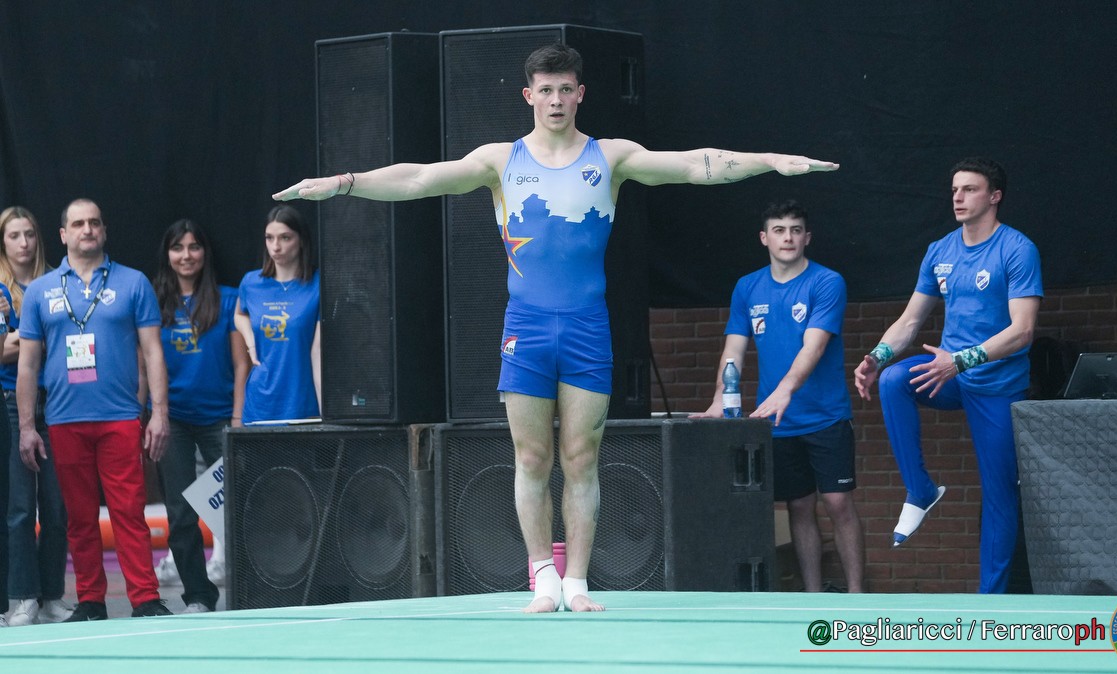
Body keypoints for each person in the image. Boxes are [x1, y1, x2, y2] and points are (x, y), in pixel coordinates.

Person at [274, 43, 838, 613]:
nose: (556, 100)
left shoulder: (610, 157)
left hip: (587, 327)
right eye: (545, 90)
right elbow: (420, 178)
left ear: (580, 94)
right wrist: (344, 181)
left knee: (582, 456)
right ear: (529, 96)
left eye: (566, 89)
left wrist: (769, 159)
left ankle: (578, 582)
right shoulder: (500, 161)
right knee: (531, 456)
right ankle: (543, 575)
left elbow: (695, 165)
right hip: (527, 327)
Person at [853, 158, 1041, 594]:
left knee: (999, 493)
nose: (958, 197)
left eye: (970, 189)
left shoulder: (1017, 248)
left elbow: (1023, 331)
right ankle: (920, 489)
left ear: (994, 197)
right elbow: (910, 320)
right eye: (955, 189)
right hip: (949, 373)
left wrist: (960, 360)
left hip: (996, 384)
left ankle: (990, 601)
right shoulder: (940, 250)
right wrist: (877, 356)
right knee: (893, 380)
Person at [692, 201, 864, 593]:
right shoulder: (747, 287)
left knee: (838, 502)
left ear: (807, 237)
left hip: (826, 416)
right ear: (764, 238)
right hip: (779, 421)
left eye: (796, 230)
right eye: (779, 230)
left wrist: (784, 391)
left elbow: (813, 347)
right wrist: (720, 397)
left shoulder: (827, 282)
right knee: (798, 506)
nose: (788, 238)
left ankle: (857, 598)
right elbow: (734, 350)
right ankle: (813, 597)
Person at [17, 198, 173, 620]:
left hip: (120, 417)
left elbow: (153, 353)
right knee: (79, 517)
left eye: (94, 223)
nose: (87, 230)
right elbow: (27, 364)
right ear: (63, 234)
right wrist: (27, 427)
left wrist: (159, 413)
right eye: (78, 224)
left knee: (130, 512)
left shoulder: (133, 282)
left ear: (104, 231)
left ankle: (145, 598)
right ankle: (90, 601)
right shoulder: (41, 291)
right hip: (64, 420)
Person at [152, 219, 249, 613]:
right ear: (167, 255)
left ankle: (253, 590)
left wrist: (238, 418)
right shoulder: (153, 303)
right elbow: (144, 362)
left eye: (194, 247)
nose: (186, 255)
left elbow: (242, 365)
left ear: (205, 252)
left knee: (241, 507)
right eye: (178, 248)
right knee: (180, 514)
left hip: (220, 418)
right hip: (173, 420)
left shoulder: (229, 299)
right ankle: (198, 595)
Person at [0, 207, 72, 626]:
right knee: (21, 508)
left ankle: (52, 596)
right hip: (13, 401)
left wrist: (21, 339)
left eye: (29, 233)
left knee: (58, 507)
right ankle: (23, 596)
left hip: (58, 400)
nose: (24, 243)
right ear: (3, 242)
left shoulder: (57, 282)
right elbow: (4, 351)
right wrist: (36, 339)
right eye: (14, 236)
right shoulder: (0, 288)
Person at [234, 205, 320, 425]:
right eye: (269, 238)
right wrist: (250, 342)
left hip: (302, 402)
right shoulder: (251, 283)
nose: (276, 247)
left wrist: (325, 410)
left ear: (301, 240)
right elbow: (240, 314)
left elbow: (319, 351)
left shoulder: (319, 284)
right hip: (260, 402)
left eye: (285, 238)